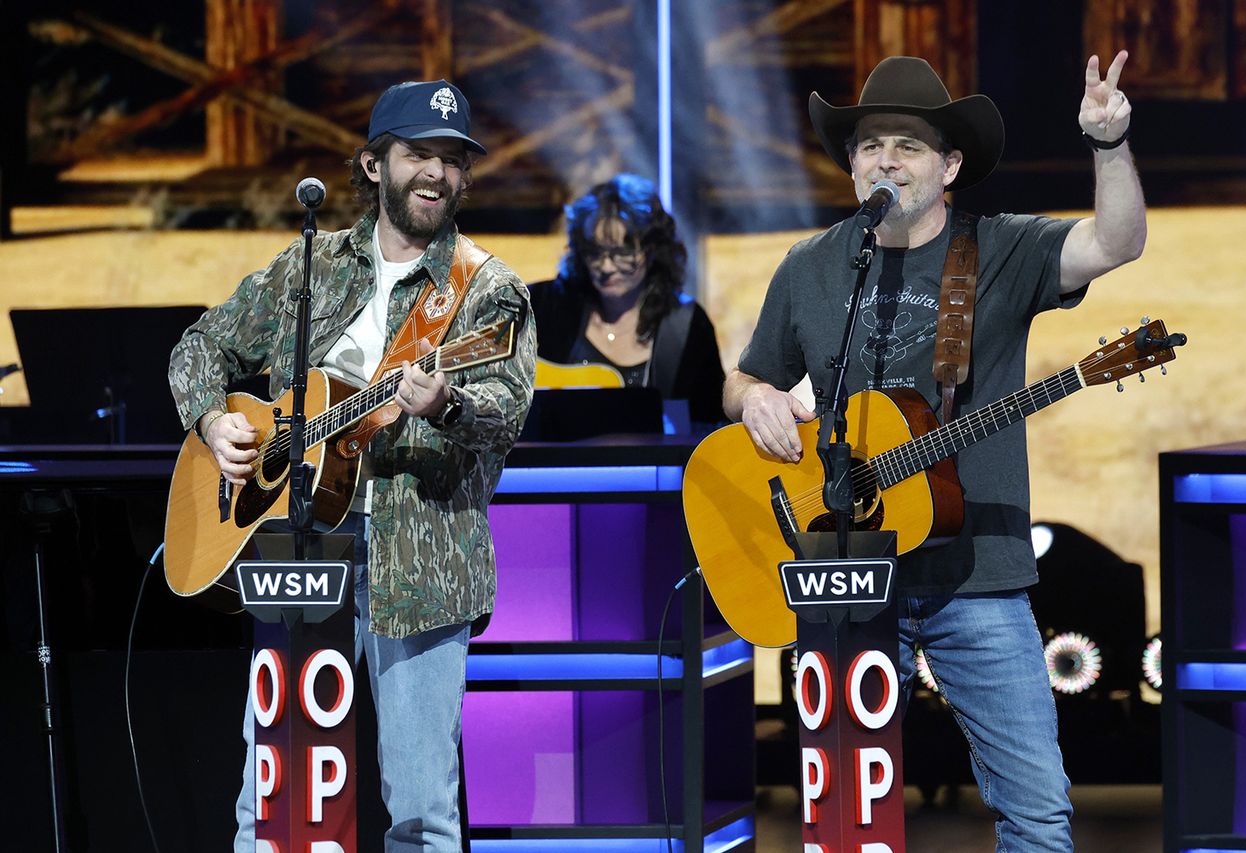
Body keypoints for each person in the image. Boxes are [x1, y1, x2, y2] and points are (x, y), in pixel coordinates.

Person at [725, 53, 1145, 850]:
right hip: (845, 573)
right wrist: (755, 399)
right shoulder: (812, 267)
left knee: (1037, 810)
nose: (885, 158)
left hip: (976, 580)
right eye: (870, 143)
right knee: (847, 823)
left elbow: (1116, 242)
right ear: (850, 163)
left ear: (950, 165)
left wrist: (1110, 144)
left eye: (908, 144)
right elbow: (747, 374)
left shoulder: (1001, 249)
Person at [168, 79, 536, 851]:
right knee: (272, 800)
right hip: (300, 556)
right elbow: (200, 345)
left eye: (451, 160)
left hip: (421, 568)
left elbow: (506, 411)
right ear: (373, 165)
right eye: (417, 155)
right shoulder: (311, 267)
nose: (435, 174)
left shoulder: (489, 290)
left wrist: (444, 405)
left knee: (420, 813)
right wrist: (213, 420)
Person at [529, 173, 726, 428]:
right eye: (595, 253)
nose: (606, 266)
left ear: (653, 250)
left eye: (622, 253)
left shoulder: (686, 325)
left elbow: (709, 423)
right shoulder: (546, 305)